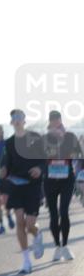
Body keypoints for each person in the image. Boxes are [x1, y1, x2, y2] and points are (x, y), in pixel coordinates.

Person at [0, 109, 46, 274]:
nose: (17, 120)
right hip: (16, 184)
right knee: (19, 221)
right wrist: (3, 169)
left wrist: (39, 169)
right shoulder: (9, 142)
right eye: (13, 118)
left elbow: (45, 159)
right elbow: (6, 161)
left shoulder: (35, 138)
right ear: (11, 122)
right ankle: (26, 261)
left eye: (19, 117)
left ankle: (37, 233)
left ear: (24, 121)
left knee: (29, 224)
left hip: (33, 185)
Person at [41, 110, 82, 262]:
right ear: (50, 122)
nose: (56, 123)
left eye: (58, 120)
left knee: (63, 211)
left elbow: (78, 154)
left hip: (66, 179)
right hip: (50, 180)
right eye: (53, 121)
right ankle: (57, 246)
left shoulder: (70, 136)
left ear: (61, 121)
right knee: (53, 214)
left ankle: (65, 246)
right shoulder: (45, 138)